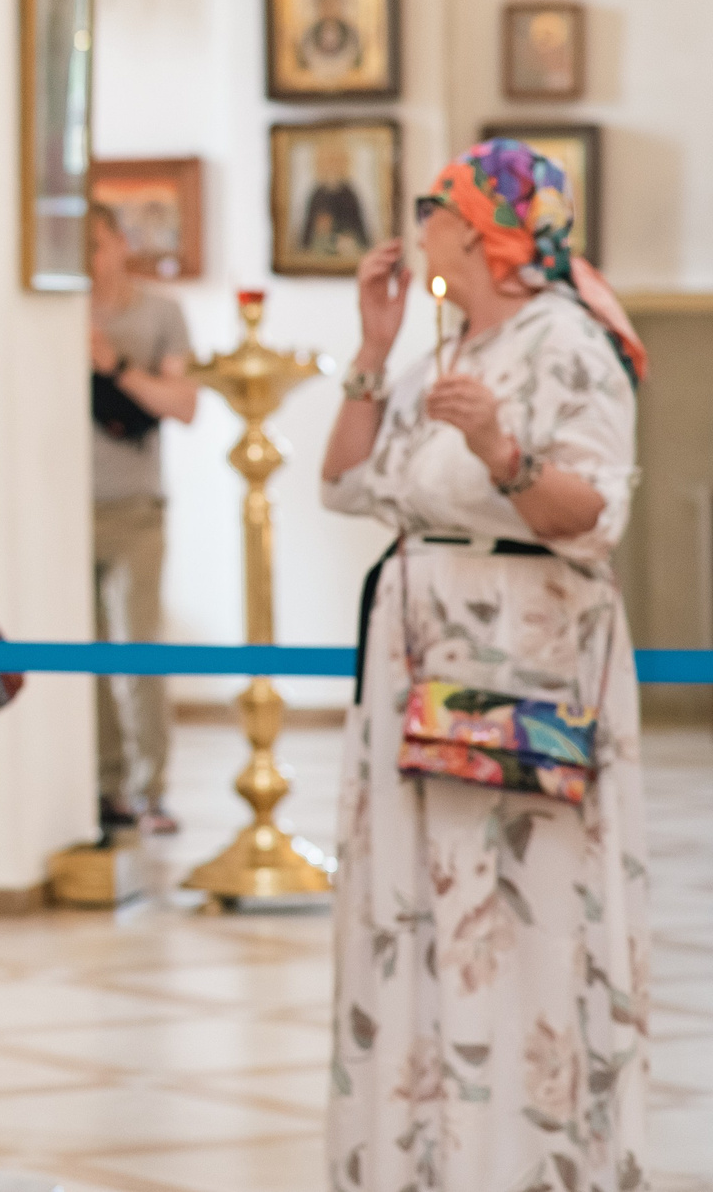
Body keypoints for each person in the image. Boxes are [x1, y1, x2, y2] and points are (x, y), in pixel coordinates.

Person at [319, 139, 651, 1191]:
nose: (416, 226)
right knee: (422, 911)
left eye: (431, 206)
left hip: (522, 669)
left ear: (475, 226)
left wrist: (506, 454)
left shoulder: (567, 343)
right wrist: (372, 351)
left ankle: (526, 1161)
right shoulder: (449, 344)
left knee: (516, 915)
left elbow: (594, 516)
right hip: (419, 669)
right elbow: (345, 481)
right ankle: (430, 1155)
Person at [85, 201, 199, 836]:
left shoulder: (160, 313)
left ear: (120, 242)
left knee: (140, 646)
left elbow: (183, 404)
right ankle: (104, 789)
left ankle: (151, 788)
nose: (89, 261)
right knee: (84, 654)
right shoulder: (49, 313)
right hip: (64, 511)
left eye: (96, 244)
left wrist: (114, 366)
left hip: (135, 506)